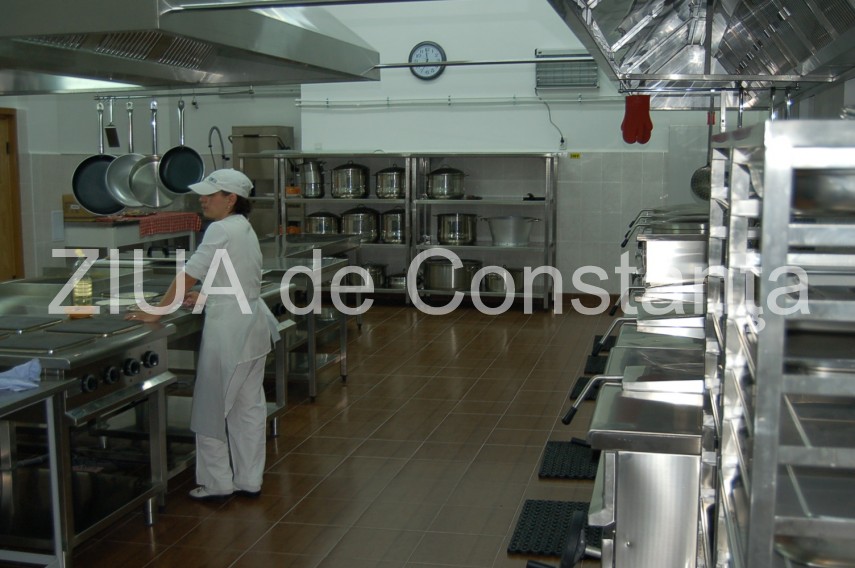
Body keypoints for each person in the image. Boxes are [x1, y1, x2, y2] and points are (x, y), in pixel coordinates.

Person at [127, 169, 279, 501]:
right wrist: (209, 296)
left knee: (212, 408)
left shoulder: (219, 229)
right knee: (248, 410)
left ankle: (217, 483)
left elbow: (189, 273)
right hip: (253, 330)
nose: (203, 200)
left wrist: (157, 311)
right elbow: (240, 276)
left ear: (231, 199)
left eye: (211, 195)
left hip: (231, 333)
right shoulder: (243, 227)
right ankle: (249, 480)